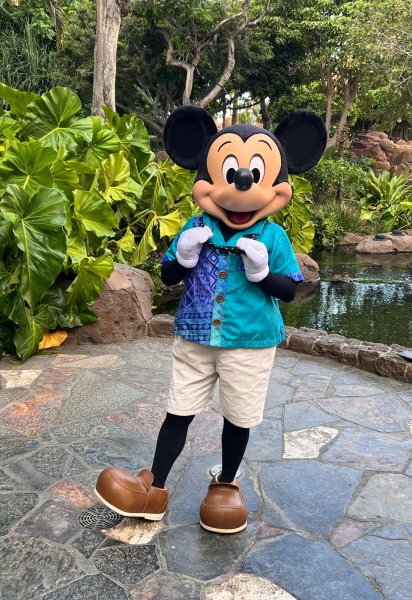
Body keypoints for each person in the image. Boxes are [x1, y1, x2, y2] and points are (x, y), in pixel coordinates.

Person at [95, 105, 326, 534]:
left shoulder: (273, 236)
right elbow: (168, 276)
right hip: (195, 337)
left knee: (237, 416)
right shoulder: (196, 226)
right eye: (228, 173)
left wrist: (262, 274)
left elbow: (289, 290)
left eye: (256, 175)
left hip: (249, 341)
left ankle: (226, 483)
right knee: (178, 411)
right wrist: (183, 257)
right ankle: (153, 489)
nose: (241, 185)